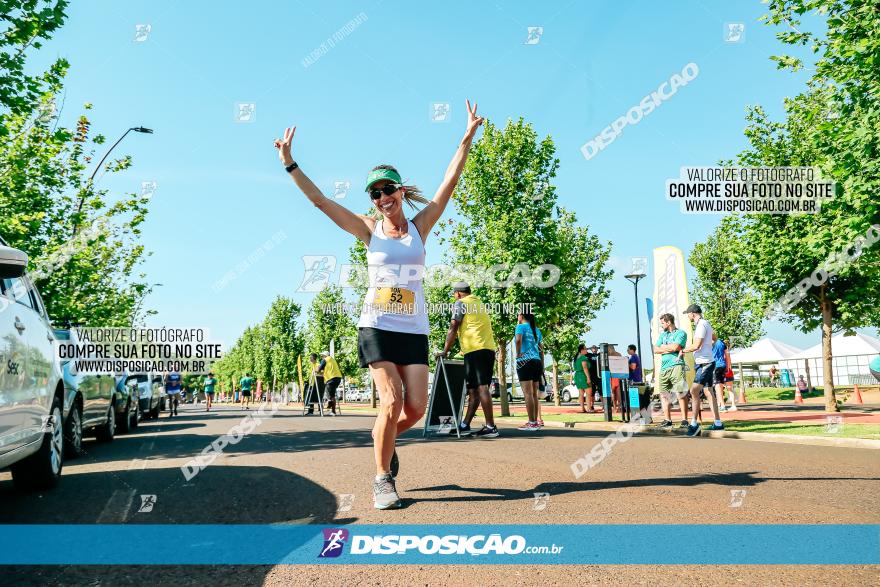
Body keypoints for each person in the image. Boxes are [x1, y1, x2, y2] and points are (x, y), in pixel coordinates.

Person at [275, 99, 484, 510]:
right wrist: (290, 163)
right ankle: (381, 478)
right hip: (376, 326)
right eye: (375, 193)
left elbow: (450, 181)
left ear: (401, 190)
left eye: (388, 189)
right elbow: (320, 201)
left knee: (417, 408)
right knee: (390, 402)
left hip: (413, 328)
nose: (382, 197)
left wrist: (466, 137)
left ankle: (385, 443)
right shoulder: (369, 230)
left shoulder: (421, 227)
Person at [439, 282, 498, 438]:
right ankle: (465, 424)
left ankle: (491, 427)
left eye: (453, 294)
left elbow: (453, 327)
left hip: (477, 349)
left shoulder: (461, 303)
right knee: (473, 390)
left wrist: (445, 351)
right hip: (484, 349)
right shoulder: (478, 302)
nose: (454, 297)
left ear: (458, 294)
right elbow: (474, 327)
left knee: (482, 387)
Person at [682, 304, 723, 436]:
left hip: (704, 363)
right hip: (705, 362)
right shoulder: (706, 323)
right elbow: (714, 339)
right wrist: (707, 348)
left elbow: (696, 345)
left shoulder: (701, 325)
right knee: (708, 391)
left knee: (693, 390)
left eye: (688, 314)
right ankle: (718, 423)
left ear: (692, 314)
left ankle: (694, 424)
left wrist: (682, 350)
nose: (687, 316)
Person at [653, 314, 689, 428]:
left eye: (662, 323)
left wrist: (664, 348)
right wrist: (669, 348)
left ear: (668, 322)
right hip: (664, 368)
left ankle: (684, 420)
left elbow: (676, 347)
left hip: (676, 365)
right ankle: (667, 420)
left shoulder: (681, 333)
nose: (661, 325)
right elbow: (655, 349)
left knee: (680, 392)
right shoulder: (663, 335)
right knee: (664, 394)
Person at [514, 310, 544, 430]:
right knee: (534, 394)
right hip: (536, 362)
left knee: (527, 394)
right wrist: (541, 365)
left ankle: (531, 422)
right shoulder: (537, 330)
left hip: (525, 362)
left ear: (521, 316)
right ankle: (535, 422)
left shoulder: (520, 327)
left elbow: (518, 340)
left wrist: (518, 353)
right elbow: (541, 349)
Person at [572, 344, 593, 413]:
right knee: (588, 393)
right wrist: (588, 378)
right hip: (583, 375)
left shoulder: (576, 358)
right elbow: (585, 368)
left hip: (577, 376)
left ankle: (582, 409)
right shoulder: (583, 358)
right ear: (582, 350)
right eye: (585, 349)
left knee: (581, 393)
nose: (587, 350)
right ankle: (589, 409)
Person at [321, 351, 343, 416]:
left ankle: (329, 402)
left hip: (331, 378)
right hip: (338, 378)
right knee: (332, 395)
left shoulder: (325, 360)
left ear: (325, 356)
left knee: (329, 393)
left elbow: (319, 369)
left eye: (322, 356)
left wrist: (317, 371)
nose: (321, 357)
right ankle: (333, 410)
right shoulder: (333, 360)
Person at [711, 334, 728, 413]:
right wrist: (728, 366)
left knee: (717, 386)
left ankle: (722, 405)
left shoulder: (710, 344)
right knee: (720, 385)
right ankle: (719, 404)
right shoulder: (721, 342)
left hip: (715, 366)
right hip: (722, 365)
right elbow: (726, 355)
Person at [723, 341, 737, 411]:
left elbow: (728, 362)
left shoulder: (724, 352)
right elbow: (729, 362)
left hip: (724, 371)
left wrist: (727, 370)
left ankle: (722, 405)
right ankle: (733, 405)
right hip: (728, 371)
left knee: (722, 389)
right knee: (729, 389)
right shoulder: (727, 352)